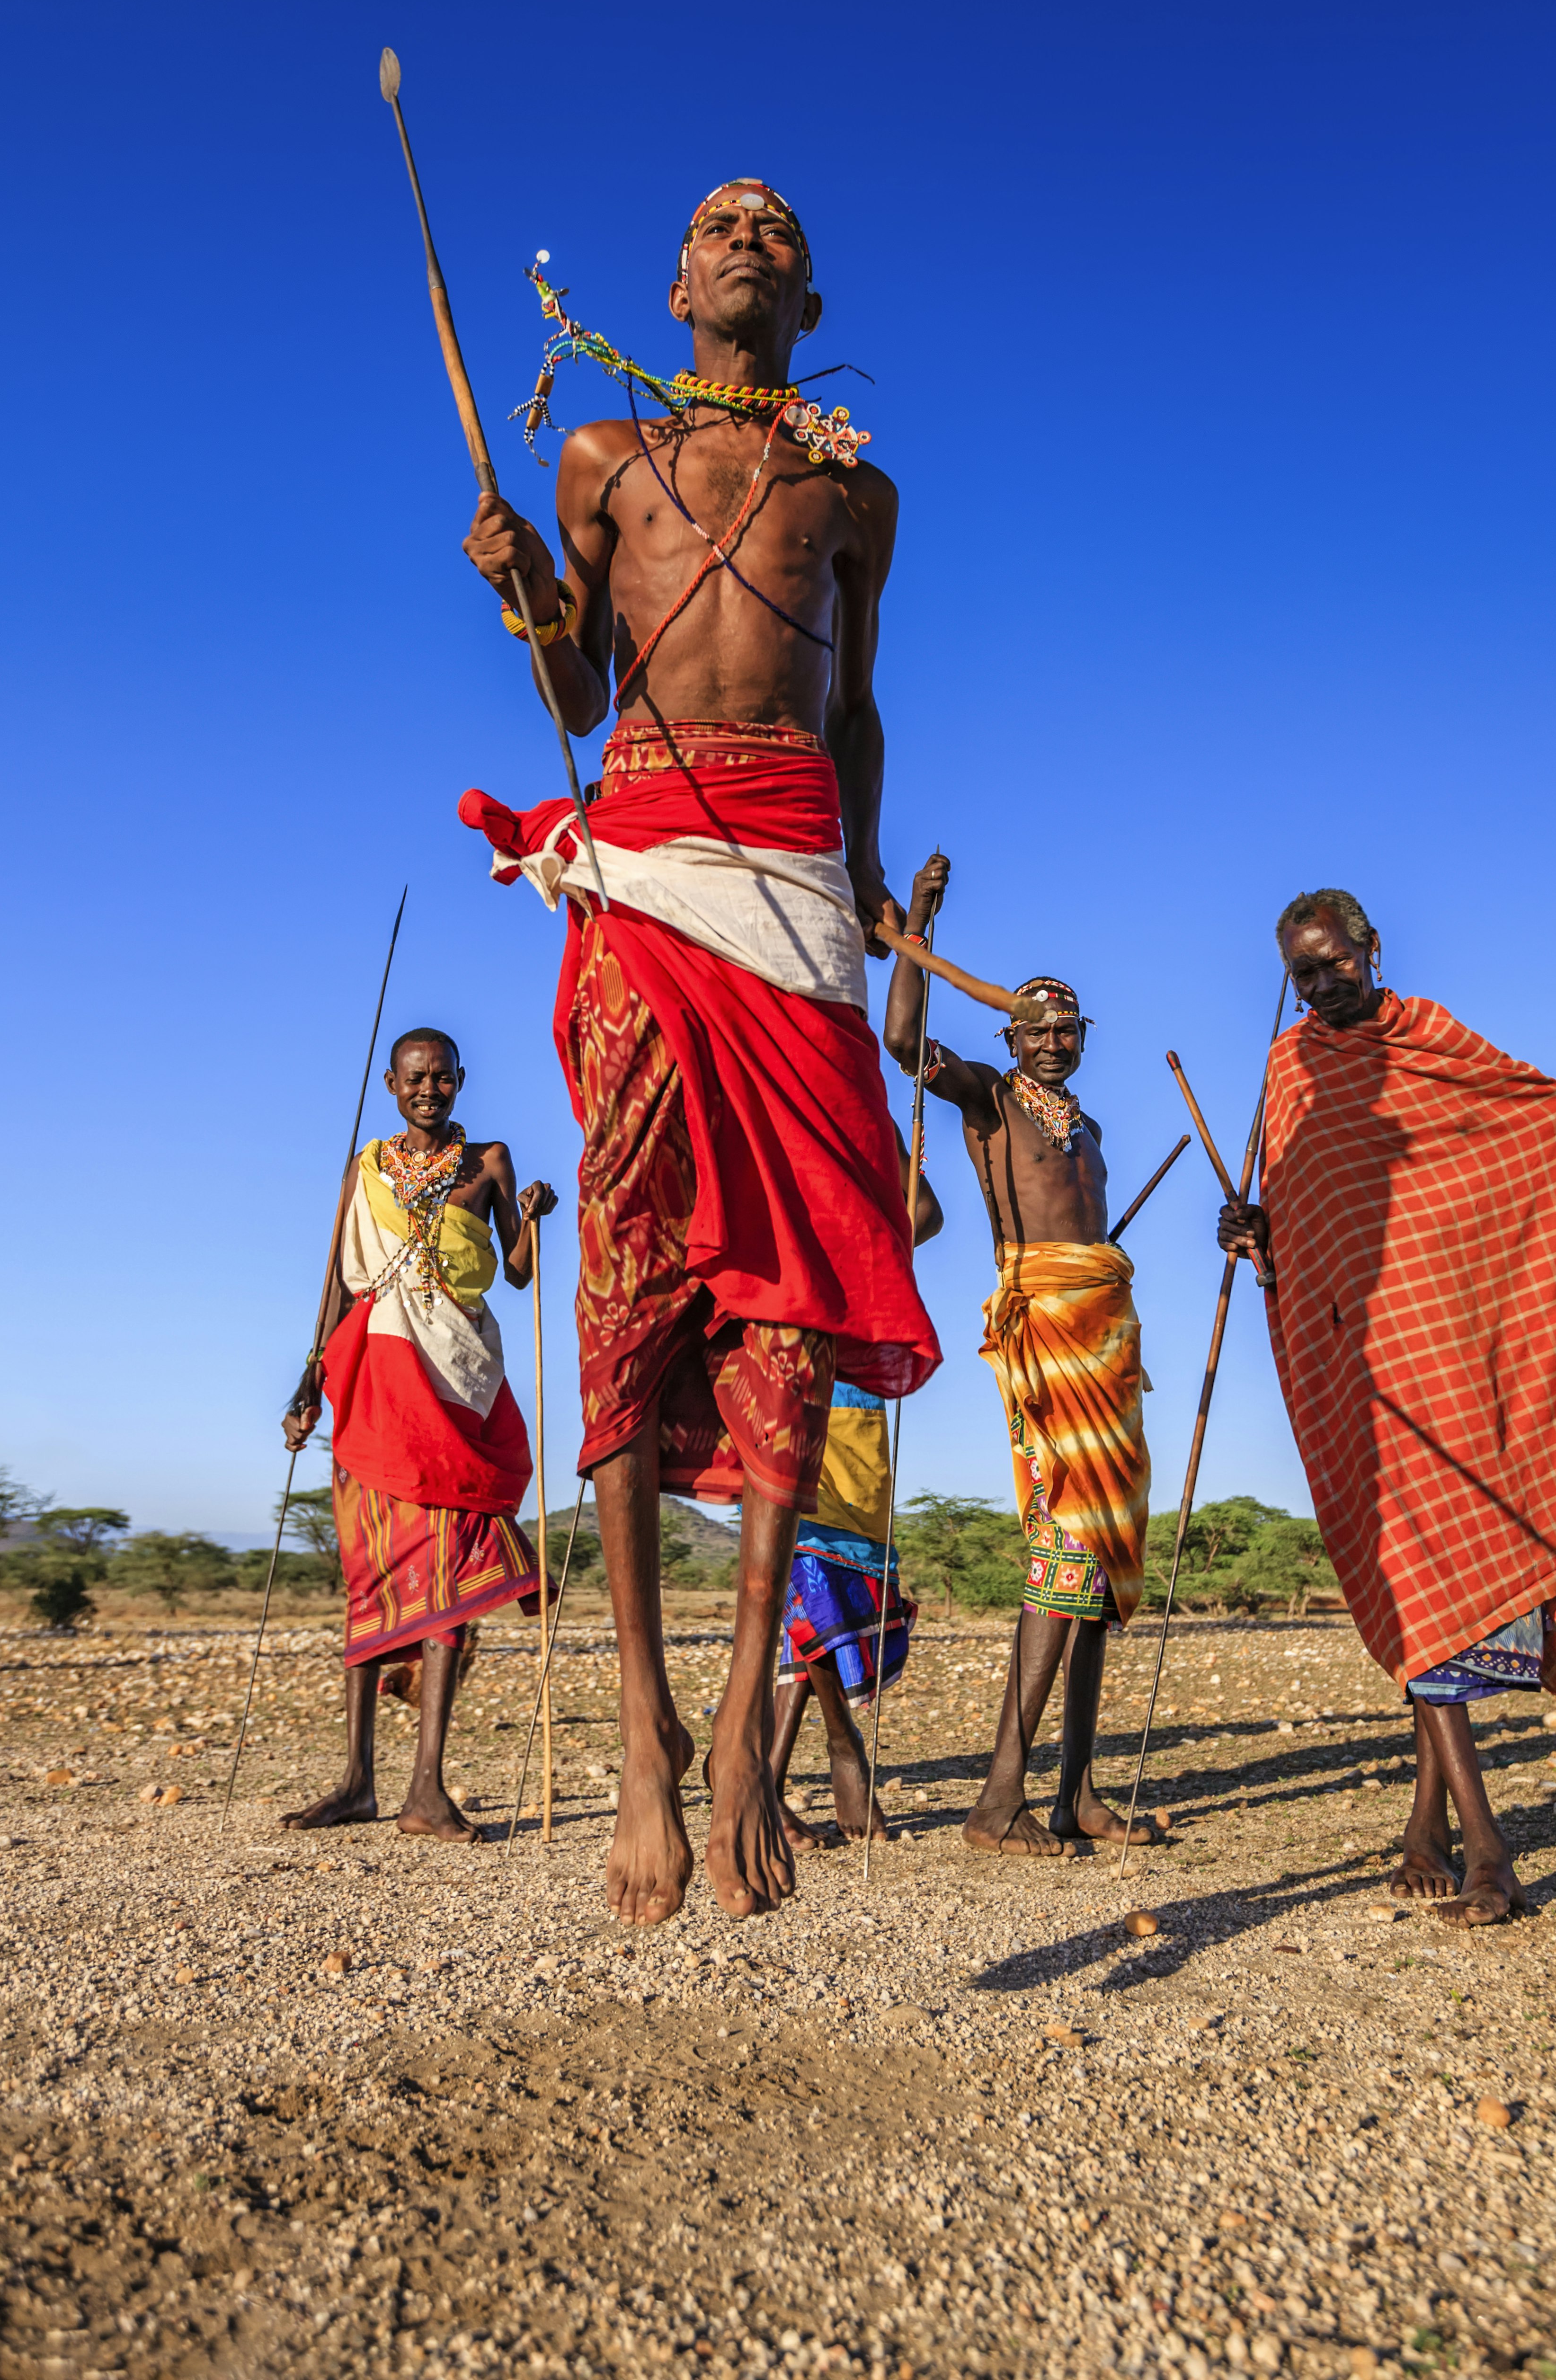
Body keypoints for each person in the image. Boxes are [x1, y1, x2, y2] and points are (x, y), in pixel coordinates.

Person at [456, 181, 939, 1925]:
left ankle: (747, 1724)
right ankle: (644, 1731)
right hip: (651, 864)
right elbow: (580, 700)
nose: (751, 231)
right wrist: (528, 598)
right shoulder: (600, 459)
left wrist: (872, 883)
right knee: (636, 1263)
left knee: (800, 1288)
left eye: (782, 226)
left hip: (801, 882)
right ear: (674, 288)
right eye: (721, 221)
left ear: (807, 298)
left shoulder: (855, 491)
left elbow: (858, 701)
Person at [1219, 888, 1556, 1927]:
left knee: (1439, 1589)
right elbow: (1304, 1210)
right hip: (1361, 1365)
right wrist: (1254, 1231)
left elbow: (1538, 1118)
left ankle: (1462, 1839)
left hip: (1451, 1350)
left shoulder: (1430, 1037)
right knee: (1414, 1581)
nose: (1323, 982)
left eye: (1336, 961)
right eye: (1304, 974)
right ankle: (1467, 1840)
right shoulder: (1287, 1067)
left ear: (1371, 949)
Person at [881, 853, 1159, 1856]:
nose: (1052, 1041)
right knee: (1062, 1551)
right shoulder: (990, 1101)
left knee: (1099, 1563)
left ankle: (1077, 1793)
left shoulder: (1088, 1129)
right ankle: (998, 1800)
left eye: (1067, 1028)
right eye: (1036, 1028)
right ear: (1010, 1037)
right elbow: (903, 1041)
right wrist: (916, 923)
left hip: (1108, 1340)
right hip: (1042, 1338)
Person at [281, 1029, 556, 1839]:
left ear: (461, 1082)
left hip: (456, 1380)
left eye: (440, 1077)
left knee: (449, 1578)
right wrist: (306, 1385)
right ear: (392, 1086)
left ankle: (427, 1790)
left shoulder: (491, 1163)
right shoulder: (362, 1172)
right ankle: (358, 1782)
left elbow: (516, 1270)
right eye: (414, 1079)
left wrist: (533, 1220)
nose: (428, 1089)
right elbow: (337, 1282)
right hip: (372, 1378)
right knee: (370, 1574)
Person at [771, 1123, 941, 1847]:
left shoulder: (861, 1117)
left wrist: (856, 1238)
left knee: (835, 1575)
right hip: (779, 1359)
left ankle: (765, 1772)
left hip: (852, 1373)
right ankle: (813, 1764)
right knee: (803, 1572)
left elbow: (925, 1211)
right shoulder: (759, 1107)